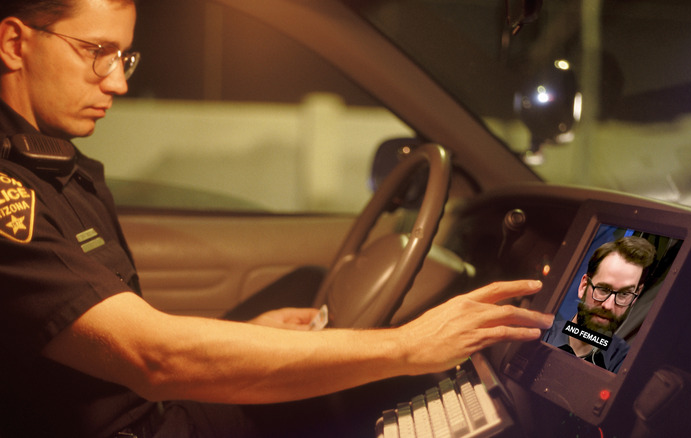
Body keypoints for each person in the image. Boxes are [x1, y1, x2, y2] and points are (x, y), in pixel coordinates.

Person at [0, 1, 554, 437]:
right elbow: (151, 356)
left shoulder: (63, 168)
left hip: (154, 413)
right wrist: (408, 348)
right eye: (97, 50)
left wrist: (244, 338)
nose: (118, 81)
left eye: (125, 57)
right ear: (14, 42)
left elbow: (111, 332)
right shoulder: (10, 194)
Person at [543, 236, 656, 373]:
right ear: (583, 287)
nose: (608, 306)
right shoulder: (540, 335)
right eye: (603, 289)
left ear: (634, 298)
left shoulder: (628, 365)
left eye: (624, 294)